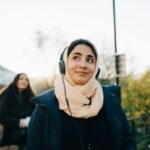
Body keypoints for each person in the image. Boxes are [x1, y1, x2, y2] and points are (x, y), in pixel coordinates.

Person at [27, 39, 137, 150]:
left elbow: (127, 140)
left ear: (96, 69)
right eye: (76, 58)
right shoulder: (44, 107)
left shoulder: (110, 100)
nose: (83, 65)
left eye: (90, 60)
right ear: (63, 64)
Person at [0, 73, 35, 149]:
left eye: (26, 80)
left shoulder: (30, 96)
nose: (24, 81)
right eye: (21, 79)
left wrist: (30, 119)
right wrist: (20, 122)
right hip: (12, 136)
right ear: (16, 81)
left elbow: (35, 111)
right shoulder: (8, 95)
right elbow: (2, 117)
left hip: (28, 135)